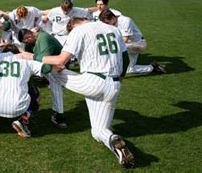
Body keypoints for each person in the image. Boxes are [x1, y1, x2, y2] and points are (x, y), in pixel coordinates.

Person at [19, 17, 135, 168]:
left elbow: (61, 60)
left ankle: (58, 114)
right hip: (114, 85)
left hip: (92, 81)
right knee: (98, 132)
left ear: (73, 26)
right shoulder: (113, 29)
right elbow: (125, 59)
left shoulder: (78, 30)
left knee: (53, 73)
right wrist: (121, 77)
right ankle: (113, 139)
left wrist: (32, 57)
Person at [0, 44, 49, 138]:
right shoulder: (26, 60)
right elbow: (47, 68)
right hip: (18, 106)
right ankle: (24, 119)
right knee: (35, 92)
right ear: (18, 53)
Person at [18, 28, 67, 128]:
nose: (26, 43)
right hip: (49, 66)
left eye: (26, 40)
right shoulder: (31, 42)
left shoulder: (43, 38)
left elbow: (47, 64)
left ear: (29, 35)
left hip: (60, 67)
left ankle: (59, 116)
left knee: (55, 86)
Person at [99, 9, 166, 75]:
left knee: (114, 48)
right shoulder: (111, 21)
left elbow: (125, 39)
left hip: (139, 44)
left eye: (107, 23)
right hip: (129, 44)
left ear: (113, 18)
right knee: (129, 69)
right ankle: (153, 67)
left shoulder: (125, 20)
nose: (107, 25)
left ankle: (108, 68)